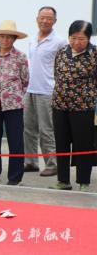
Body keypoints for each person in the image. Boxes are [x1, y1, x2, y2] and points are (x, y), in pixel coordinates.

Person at [50, 21, 97, 192]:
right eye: (73, 38)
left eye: (81, 39)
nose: (77, 42)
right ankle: (63, 180)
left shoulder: (94, 54)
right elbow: (57, 74)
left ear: (89, 38)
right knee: (61, 143)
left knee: (83, 144)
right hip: (59, 105)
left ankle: (83, 181)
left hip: (83, 107)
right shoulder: (62, 51)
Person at [0, 20, 29, 185]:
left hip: (14, 104)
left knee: (15, 140)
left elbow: (25, 81)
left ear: (14, 39)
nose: (5, 40)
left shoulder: (21, 57)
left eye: (9, 37)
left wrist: (13, 94)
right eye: (2, 36)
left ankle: (15, 177)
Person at [24, 6, 66, 176]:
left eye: (49, 18)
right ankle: (31, 162)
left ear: (55, 21)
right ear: (37, 19)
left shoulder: (60, 41)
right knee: (28, 128)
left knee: (46, 129)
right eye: (42, 17)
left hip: (48, 91)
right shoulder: (32, 39)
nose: (45, 21)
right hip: (29, 90)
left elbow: (63, 67)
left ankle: (52, 163)